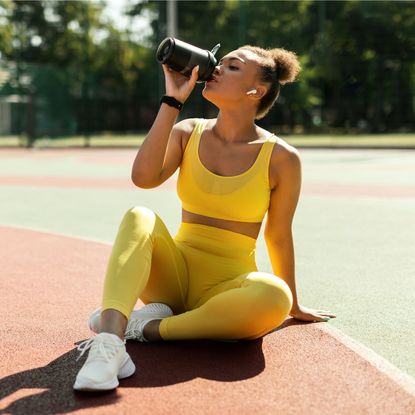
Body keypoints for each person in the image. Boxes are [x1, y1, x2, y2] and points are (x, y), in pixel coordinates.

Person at [73, 44, 336, 392]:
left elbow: (278, 234)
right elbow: (144, 178)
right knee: (140, 215)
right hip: (171, 279)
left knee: (275, 294)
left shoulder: (282, 157)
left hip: (225, 289)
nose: (216, 68)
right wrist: (172, 101)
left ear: (255, 90)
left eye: (232, 67)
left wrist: (294, 303)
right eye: (221, 61)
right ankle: (109, 345)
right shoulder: (188, 130)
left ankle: (145, 329)